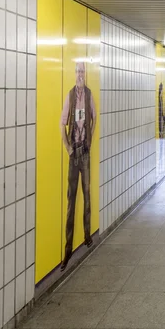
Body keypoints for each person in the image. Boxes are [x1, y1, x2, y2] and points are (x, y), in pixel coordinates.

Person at [59, 62, 97, 271]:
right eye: (78, 71)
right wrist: (68, 148)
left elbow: (94, 116)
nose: (80, 74)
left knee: (87, 194)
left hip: (86, 151)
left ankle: (87, 235)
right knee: (71, 199)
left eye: (83, 71)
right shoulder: (70, 95)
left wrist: (89, 139)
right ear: (74, 74)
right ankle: (67, 249)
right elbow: (61, 123)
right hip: (74, 153)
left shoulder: (89, 95)